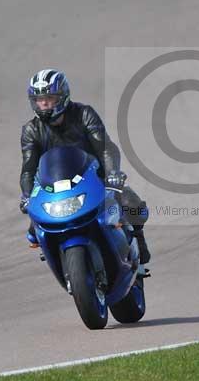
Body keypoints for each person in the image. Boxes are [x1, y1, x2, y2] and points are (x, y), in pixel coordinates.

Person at [19, 69, 151, 264]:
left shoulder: (84, 114)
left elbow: (106, 148)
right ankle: (55, 254)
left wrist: (112, 174)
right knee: (34, 230)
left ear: (62, 96)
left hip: (93, 178)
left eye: (49, 97)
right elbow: (28, 170)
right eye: (39, 99)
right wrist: (27, 195)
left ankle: (137, 237)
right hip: (55, 188)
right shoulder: (31, 130)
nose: (44, 103)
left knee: (134, 208)